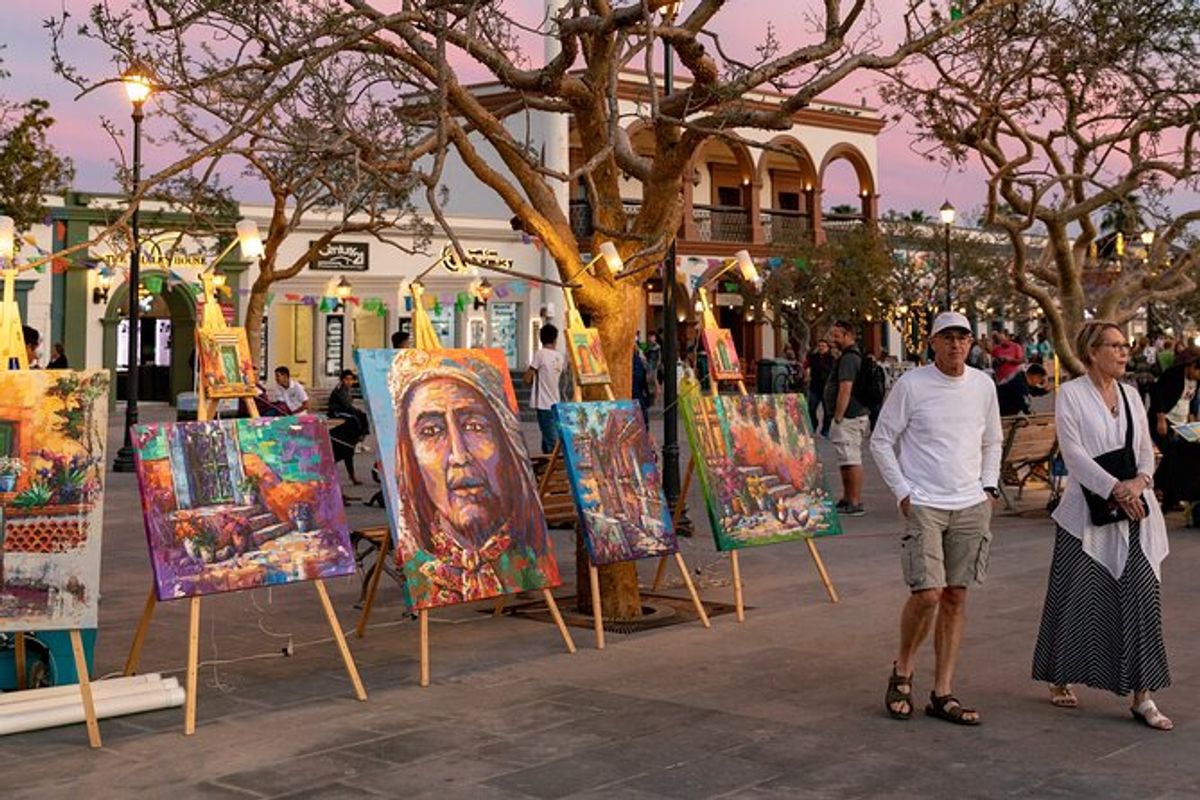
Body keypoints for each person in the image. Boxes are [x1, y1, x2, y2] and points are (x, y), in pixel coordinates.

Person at [1031, 321, 1172, 730]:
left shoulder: (1130, 394)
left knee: (1143, 595)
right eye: (1114, 346)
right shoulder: (1071, 394)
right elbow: (1073, 454)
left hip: (1136, 511)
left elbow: (1145, 448)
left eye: (1125, 345)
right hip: (1086, 512)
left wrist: (1140, 483)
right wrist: (1115, 489)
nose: (1123, 352)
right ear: (1092, 352)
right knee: (1075, 596)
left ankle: (1143, 695)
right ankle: (1060, 675)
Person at [870, 311, 1002, 725]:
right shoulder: (912, 385)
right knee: (927, 592)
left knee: (956, 596)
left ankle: (943, 690)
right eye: (948, 337)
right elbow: (881, 440)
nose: (956, 345)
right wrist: (903, 492)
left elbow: (993, 438)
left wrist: (989, 487)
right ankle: (903, 670)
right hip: (925, 501)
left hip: (970, 503)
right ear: (932, 342)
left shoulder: (983, 385)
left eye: (963, 338)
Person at [388, 348, 559, 606]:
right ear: (410, 457)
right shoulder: (422, 567)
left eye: (475, 427)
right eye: (432, 431)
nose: (459, 455)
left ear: (505, 440)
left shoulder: (531, 555)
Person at [825, 321, 871, 515]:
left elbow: (845, 388)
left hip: (849, 416)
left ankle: (854, 501)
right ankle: (847, 497)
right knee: (845, 458)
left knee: (851, 458)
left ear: (847, 335)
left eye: (836, 335)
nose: (832, 340)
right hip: (852, 415)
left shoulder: (849, 358)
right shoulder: (847, 356)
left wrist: (838, 416)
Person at [1147, 346, 1200, 510]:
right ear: (1192, 367)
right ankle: (1155, 485)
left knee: (1184, 454)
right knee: (1172, 453)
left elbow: (1190, 400)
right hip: (1164, 420)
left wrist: (1192, 418)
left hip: (1181, 422)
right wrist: (1160, 417)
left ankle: (1172, 494)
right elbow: (1157, 394)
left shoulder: (1196, 381)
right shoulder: (1174, 375)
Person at [525, 323, 565, 454]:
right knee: (548, 434)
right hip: (555, 401)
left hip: (543, 403)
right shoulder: (560, 356)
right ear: (555, 339)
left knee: (550, 438)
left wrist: (531, 375)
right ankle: (546, 464)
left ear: (541, 339)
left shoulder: (540, 354)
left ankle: (553, 466)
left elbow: (527, 378)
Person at [328, 369, 369, 484]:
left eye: (351, 379)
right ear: (342, 380)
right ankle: (358, 436)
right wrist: (356, 411)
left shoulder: (346, 390)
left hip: (344, 410)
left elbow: (349, 405)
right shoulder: (339, 390)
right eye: (347, 379)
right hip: (336, 412)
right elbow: (346, 406)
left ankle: (360, 436)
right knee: (355, 418)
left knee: (362, 416)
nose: (349, 382)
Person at [806, 339, 834, 437]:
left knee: (827, 411)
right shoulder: (813, 358)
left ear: (827, 348)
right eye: (820, 346)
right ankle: (814, 425)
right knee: (811, 409)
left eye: (823, 346)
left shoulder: (831, 359)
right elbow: (808, 368)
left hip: (827, 388)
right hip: (815, 387)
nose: (821, 348)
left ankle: (825, 430)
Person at [632, 347, 652, 430]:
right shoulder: (638, 361)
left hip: (636, 393)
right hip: (637, 393)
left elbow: (643, 380)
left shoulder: (638, 361)